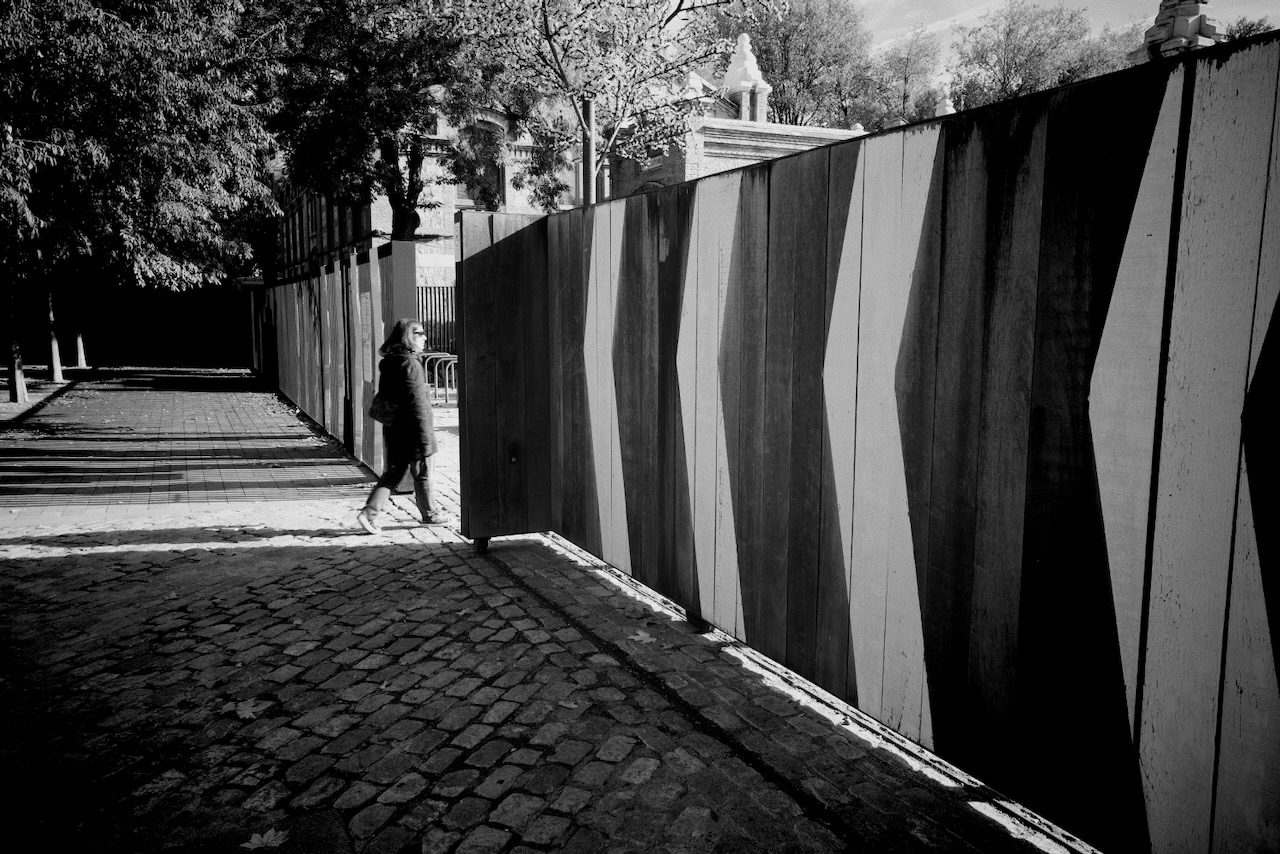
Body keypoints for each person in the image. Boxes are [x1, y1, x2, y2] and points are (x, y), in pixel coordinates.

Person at [356, 318, 443, 533]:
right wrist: (425, 438)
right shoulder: (410, 364)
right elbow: (418, 404)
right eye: (419, 333)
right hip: (412, 430)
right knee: (421, 471)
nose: (424, 337)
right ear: (408, 337)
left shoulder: (391, 361)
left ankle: (371, 512)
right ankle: (429, 515)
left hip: (395, 428)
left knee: (395, 473)